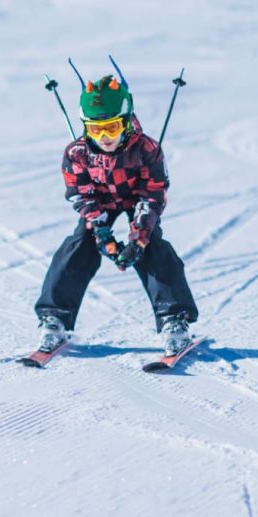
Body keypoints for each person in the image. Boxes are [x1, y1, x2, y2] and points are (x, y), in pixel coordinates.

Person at [33, 72, 199, 356]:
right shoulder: (77, 153)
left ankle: (174, 319)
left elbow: (153, 194)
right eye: (96, 129)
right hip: (100, 201)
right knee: (78, 245)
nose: (105, 137)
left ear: (125, 121)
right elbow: (80, 193)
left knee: (154, 249)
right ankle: (55, 317)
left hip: (137, 199)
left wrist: (140, 237)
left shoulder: (147, 149)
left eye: (111, 127)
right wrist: (102, 233)